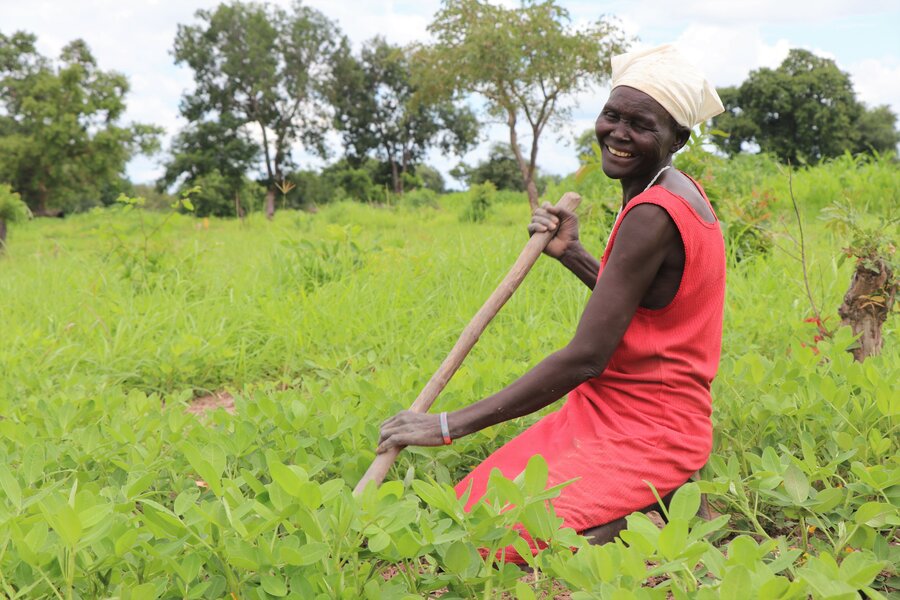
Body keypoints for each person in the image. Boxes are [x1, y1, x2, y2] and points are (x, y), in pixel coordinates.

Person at [376, 44, 727, 561]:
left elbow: (587, 356)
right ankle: (658, 494)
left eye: (641, 124)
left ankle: (646, 505)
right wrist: (574, 255)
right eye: (613, 115)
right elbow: (647, 305)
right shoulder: (670, 190)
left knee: (493, 545)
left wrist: (446, 425)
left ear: (678, 137)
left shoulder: (653, 213)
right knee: (468, 509)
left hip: (652, 427)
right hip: (607, 410)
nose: (619, 133)